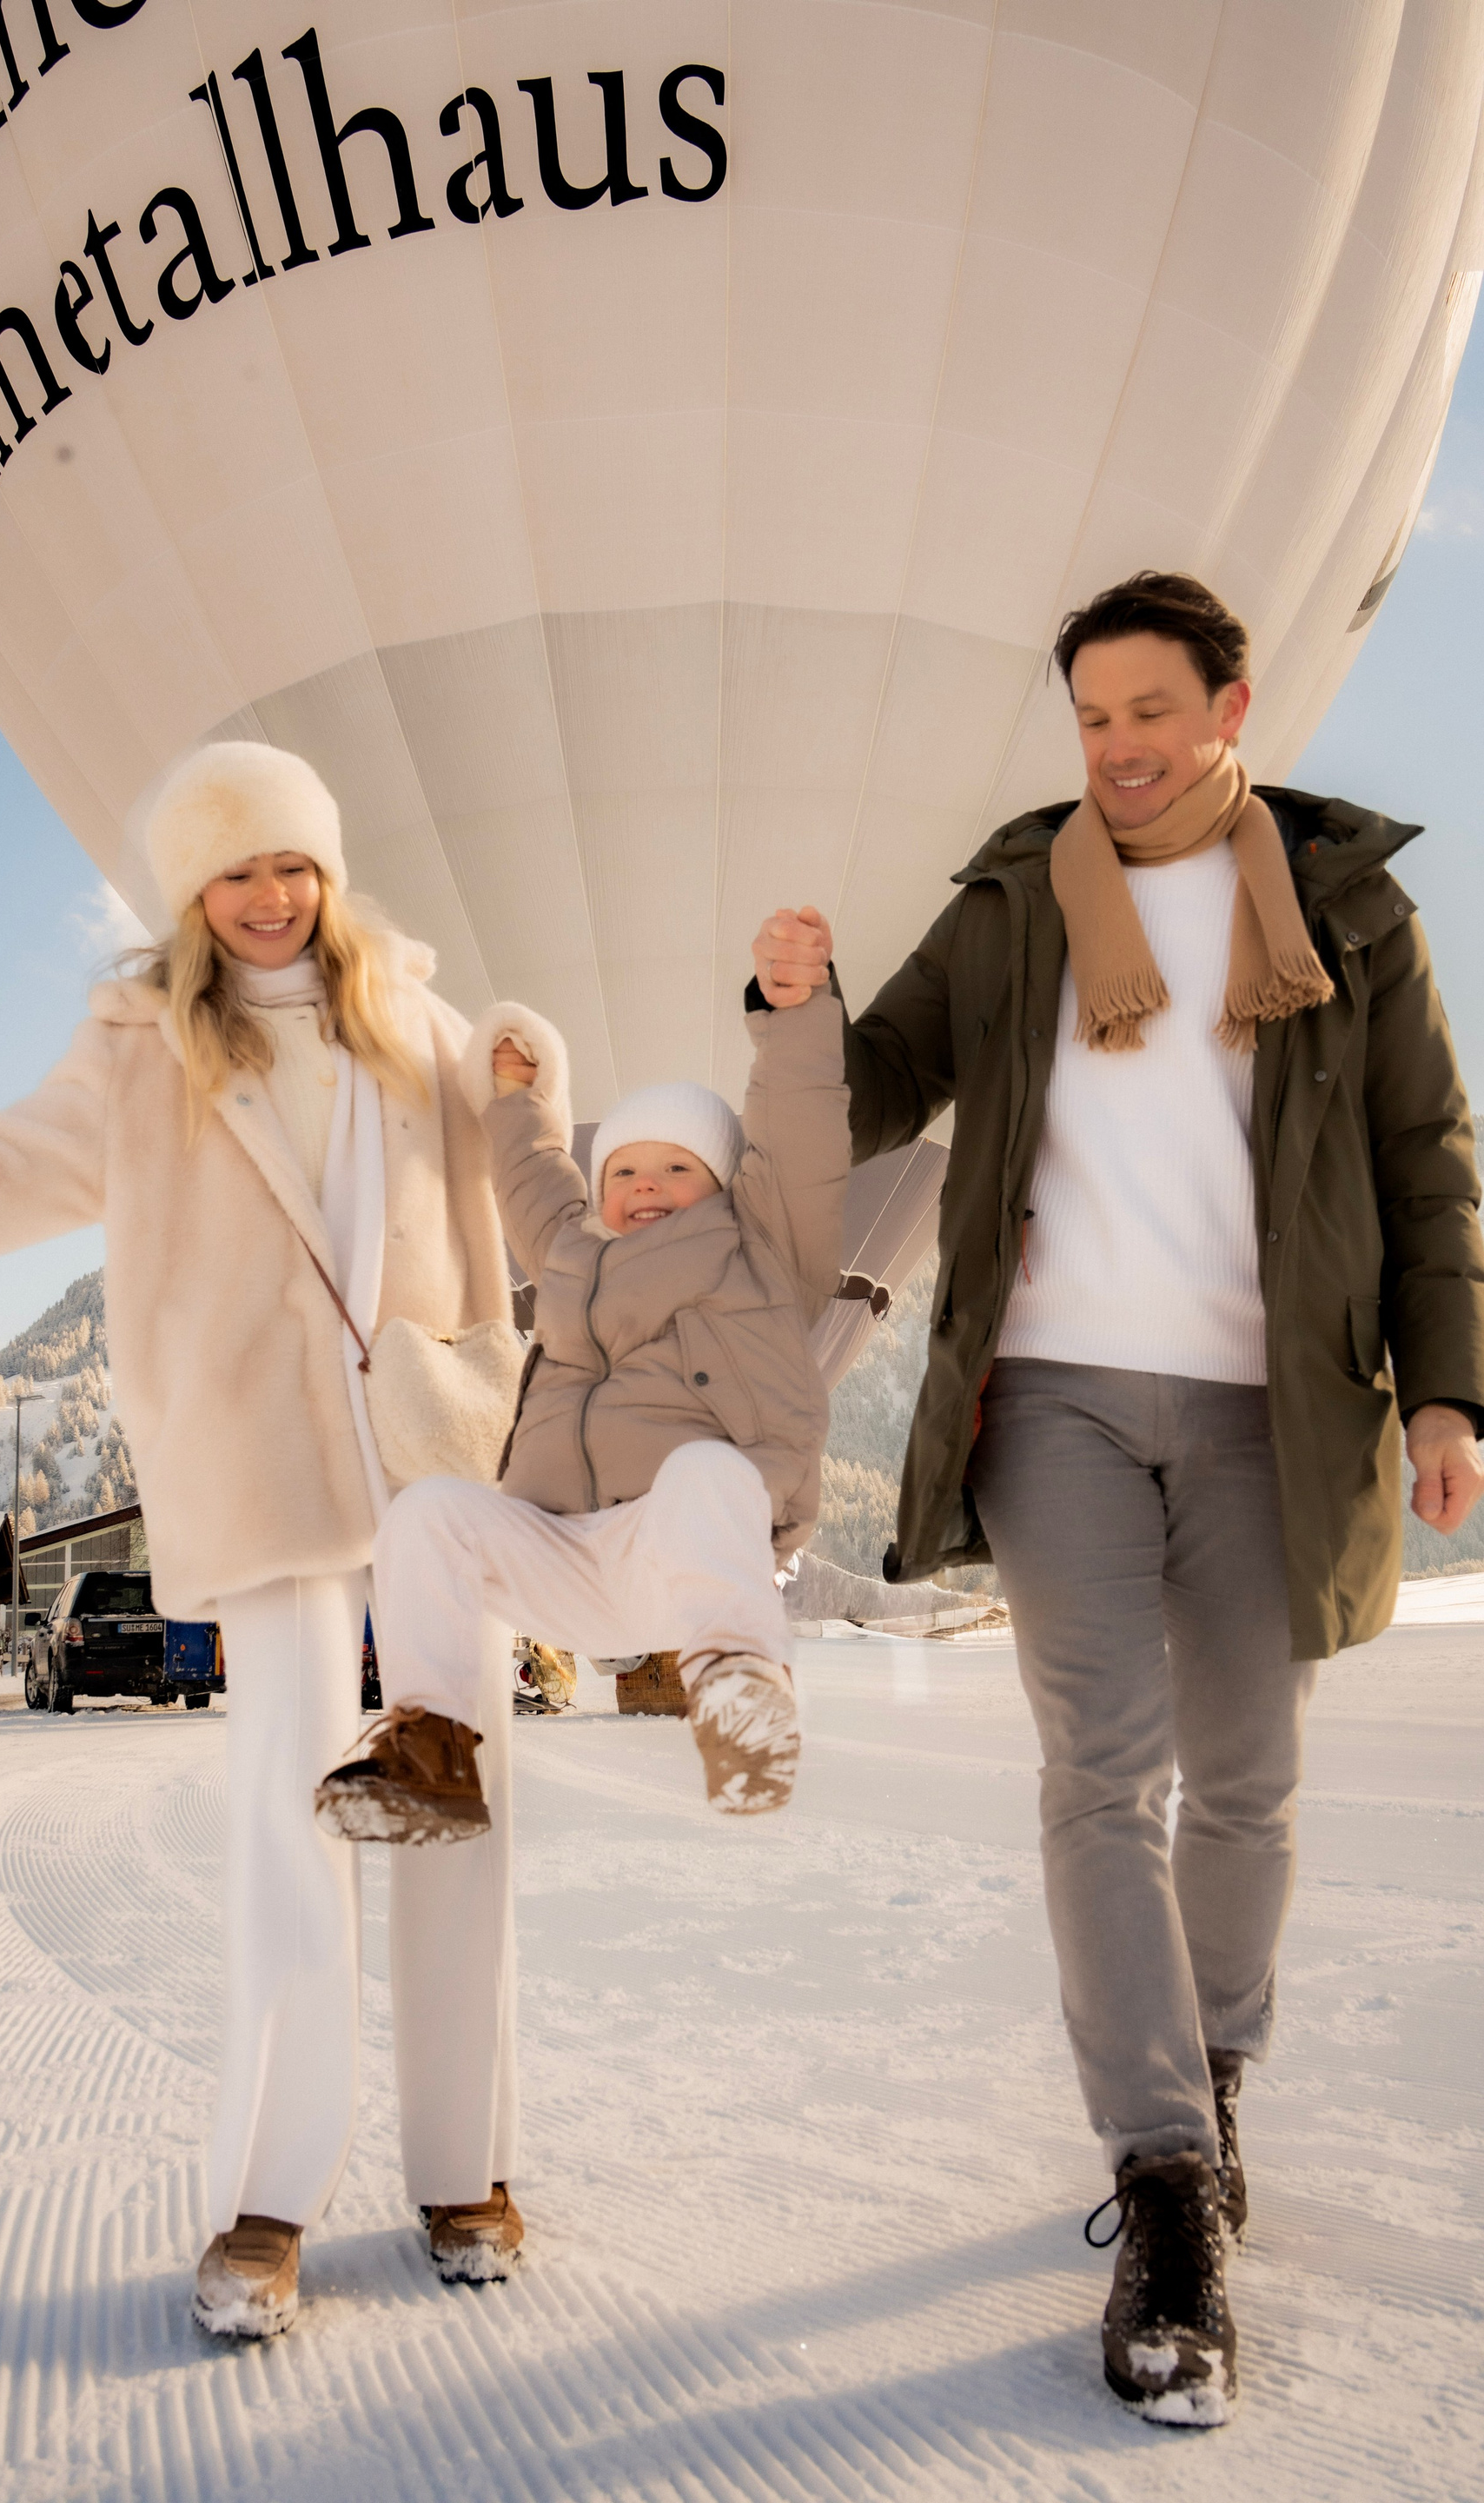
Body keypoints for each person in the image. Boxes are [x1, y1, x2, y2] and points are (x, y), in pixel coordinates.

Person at [749, 573, 1484, 2427]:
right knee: (1101, 1773)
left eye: (1152, 711)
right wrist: (794, 1010)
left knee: (1247, 1778)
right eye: (1091, 718)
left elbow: (1425, 1154)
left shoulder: (1350, 908)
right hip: (1054, 1392)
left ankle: (1213, 2085)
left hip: (1273, 1407)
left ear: (1231, 706)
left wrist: (1448, 1386)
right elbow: (879, 1088)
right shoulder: (1018, 898)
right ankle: (1163, 2185)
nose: (1120, 749)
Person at [0, 741, 533, 2331]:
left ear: (328, 871)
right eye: (234, 872)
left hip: (436, 1466)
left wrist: (549, 1084)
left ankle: (465, 2166)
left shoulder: (422, 1030)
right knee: (288, 1819)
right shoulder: (142, 1052)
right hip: (262, 1469)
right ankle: (268, 2200)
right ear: (191, 897)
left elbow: (547, 1183)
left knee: (461, 1803)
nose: (270, 898)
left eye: (292, 864)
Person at [315, 982, 849, 1865]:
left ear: (726, 1187)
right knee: (429, 1513)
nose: (646, 1185)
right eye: (625, 1172)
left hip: (679, 1549)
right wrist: (514, 1098)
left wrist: (795, 1018)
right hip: (559, 1551)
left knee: (706, 1469)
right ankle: (433, 1750)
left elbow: (801, 1136)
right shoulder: (572, 1257)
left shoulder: (759, 1251)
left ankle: (741, 1698)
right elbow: (532, 1182)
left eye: (677, 1168)